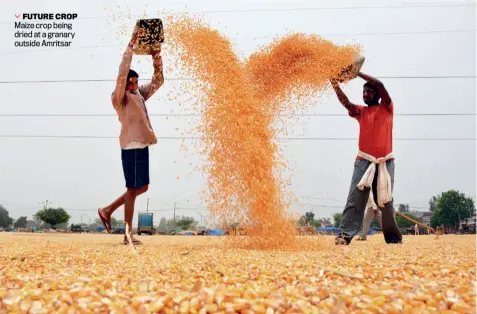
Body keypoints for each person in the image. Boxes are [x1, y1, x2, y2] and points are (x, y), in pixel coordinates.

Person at [98, 26, 164, 245]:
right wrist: (131, 44)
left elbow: (158, 81)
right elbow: (122, 72)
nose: (132, 84)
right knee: (132, 188)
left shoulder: (140, 95)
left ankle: (107, 210)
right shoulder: (120, 98)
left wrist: (157, 57)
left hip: (142, 145)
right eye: (129, 81)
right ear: (124, 83)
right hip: (131, 146)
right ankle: (127, 235)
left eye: (135, 81)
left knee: (141, 187)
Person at [331, 72, 402, 245]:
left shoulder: (387, 107)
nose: (365, 94)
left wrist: (357, 73)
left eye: (369, 91)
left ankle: (393, 237)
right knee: (355, 197)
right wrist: (334, 85)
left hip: (385, 161)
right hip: (363, 160)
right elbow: (346, 103)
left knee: (385, 200)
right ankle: (345, 234)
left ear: (377, 94)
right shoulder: (361, 112)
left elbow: (380, 84)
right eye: (363, 92)